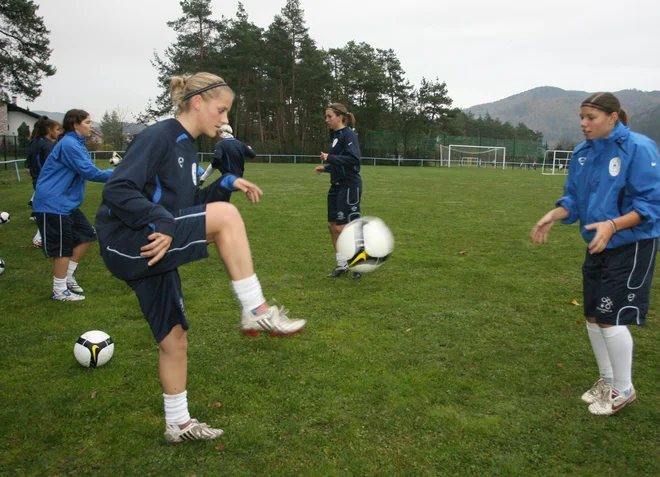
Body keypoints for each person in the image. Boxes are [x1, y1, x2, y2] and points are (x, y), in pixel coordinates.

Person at [95, 72, 306, 443]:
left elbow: (188, 208)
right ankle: (256, 310)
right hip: (127, 240)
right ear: (197, 102)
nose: (225, 120)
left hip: (154, 242)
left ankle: (178, 425)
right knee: (227, 220)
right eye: (221, 110)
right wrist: (160, 219)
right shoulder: (158, 136)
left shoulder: (189, 147)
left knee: (174, 338)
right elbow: (118, 188)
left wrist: (226, 184)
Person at [531, 92, 660, 416]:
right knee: (592, 314)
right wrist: (554, 213)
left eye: (591, 117)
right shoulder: (583, 153)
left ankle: (623, 388)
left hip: (632, 243)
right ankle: (606, 379)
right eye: (582, 117)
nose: (583, 123)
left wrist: (612, 226)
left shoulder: (639, 148)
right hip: (597, 243)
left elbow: (650, 206)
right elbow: (573, 198)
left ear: (612, 117)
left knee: (610, 317)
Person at [32, 109, 113, 301]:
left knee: (87, 235)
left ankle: (67, 276)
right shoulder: (69, 144)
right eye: (87, 122)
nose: (91, 126)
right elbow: (90, 172)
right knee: (62, 248)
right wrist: (122, 173)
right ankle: (59, 291)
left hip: (65, 204)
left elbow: (88, 169)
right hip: (53, 203)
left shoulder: (76, 143)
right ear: (75, 125)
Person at [315, 103, 363, 280]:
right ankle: (342, 264)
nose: (326, 120)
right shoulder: (335, 136)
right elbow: (340, 162)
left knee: (345, 227)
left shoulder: (349, 134)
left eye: (329, 116)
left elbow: (354, 159)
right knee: (333, 226)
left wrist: (330, 157)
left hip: (349, 185)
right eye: (326, 116)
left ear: (340, 117)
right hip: (336, 185)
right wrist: (327, 168)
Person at [26, 116, 62, 247]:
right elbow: (50, 166)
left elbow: (31, 159)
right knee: (51, 210)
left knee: (52, 208)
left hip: (38, 180)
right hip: (46, 182)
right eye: (57, 129)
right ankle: (39, 237)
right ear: (48, 130)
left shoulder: (35, 141)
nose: (59, 132)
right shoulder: (47, 146)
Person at [198, 124, 256, 199]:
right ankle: (203, 177)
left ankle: (202, 178)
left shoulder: (220, 144)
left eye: (219, 132)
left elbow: (217, 158)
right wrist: (249, 149)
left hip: (228, 177)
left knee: (215, 162)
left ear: (221, 132)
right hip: (239, 178)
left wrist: (213, 166)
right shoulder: (240, 144)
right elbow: (253, 155)